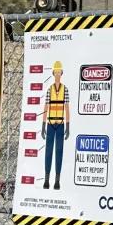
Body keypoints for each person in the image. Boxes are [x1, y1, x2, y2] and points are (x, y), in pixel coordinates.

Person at [42, 60, 70, 190]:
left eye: (59, 72)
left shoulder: (65, 90)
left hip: (60, 124)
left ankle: (57, 180)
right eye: (56, 72)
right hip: (50, 123)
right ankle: (47, 179)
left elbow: (67, 108)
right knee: (48, 152)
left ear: (61, 73)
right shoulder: (49, 90)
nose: (58, 74)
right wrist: (43, 125)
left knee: (59, 152)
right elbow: (46, 107)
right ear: (53, 74)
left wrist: (68, 126)